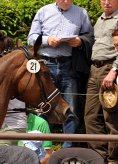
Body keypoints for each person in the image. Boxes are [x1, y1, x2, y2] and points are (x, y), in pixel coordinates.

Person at [28, 0, 94, 149]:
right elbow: (31, 37)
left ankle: (68, 150)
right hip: (46, 65)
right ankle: (44, 149)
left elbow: (90, 36)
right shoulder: (43, 11)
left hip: (69, 66)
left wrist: (80, 41)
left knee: (70, 111)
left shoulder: (81, 13)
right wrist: (46, 40)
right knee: (44, 108)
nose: (66, 1)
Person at [84, 0, 118, 164]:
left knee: (110, 117)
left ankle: (114, 160)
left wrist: (114, 70)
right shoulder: (99, 20)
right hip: (94, 69)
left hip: (110, 68)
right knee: (90, 116)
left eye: (110, 0)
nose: (106, 2)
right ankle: (99, 158)